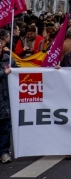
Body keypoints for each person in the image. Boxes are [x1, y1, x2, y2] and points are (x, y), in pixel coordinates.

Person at [0, 35, 17, 163]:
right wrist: (3, 73)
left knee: (6, 126)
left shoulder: (8, 59)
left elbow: (18, 73)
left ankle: (4, 152)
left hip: (5, 98)